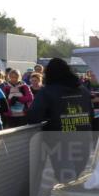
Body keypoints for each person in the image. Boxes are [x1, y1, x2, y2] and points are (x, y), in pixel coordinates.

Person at [26, 57, 98, 187]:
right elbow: (91, 114)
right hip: (83, 138)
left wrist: (48, 118)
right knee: (75, 178)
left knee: (67, 180)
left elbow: (33, 116)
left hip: (59, 141)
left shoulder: (47, 91)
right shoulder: (83, 90)